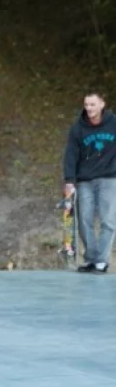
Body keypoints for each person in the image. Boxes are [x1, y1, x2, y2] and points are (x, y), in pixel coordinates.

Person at [63, 92, 116, 273]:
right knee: (84, 220)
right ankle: (92, 259)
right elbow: (70, 155)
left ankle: (102, 261)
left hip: (109, 178)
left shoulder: (113, 123)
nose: (89, 108)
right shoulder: (78, 128)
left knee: (108, 220)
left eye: (92, 104)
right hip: (85, 180)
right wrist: (69, 180)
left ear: (102, 104)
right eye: (86, 104)